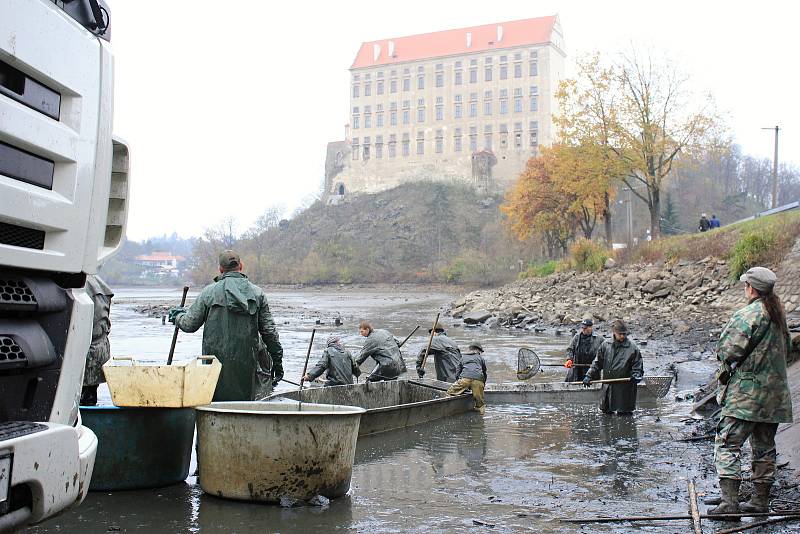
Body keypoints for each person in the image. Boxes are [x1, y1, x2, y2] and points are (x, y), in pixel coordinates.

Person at [708, 266, 793, 517]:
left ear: (751, 288)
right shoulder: (778, 316)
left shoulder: (748, 315)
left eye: (746, 285)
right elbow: (787, 348)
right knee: (764, 448)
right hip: (774, 397)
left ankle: (729, 503)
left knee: (727, 444)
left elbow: (727, 351)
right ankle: (759, 502)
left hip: (746, 396)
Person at [169, 250, 284, 401]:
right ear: (241, 266)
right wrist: (277, 362)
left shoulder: (208, 293)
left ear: (221, 269)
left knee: (215, 404)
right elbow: (270, 333)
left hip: (213, 367)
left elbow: (189, 324)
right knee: (245, 407)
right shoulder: (258, 294)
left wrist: (177, 316)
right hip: (247, 366)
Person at [583, 320, 643, 415]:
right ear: (614, 332)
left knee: (624, 415)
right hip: (608, 387)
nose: (622, 336)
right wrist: (589, 375)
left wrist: (636, 376)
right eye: (620, 334)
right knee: (606, 415)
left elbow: (638, 367)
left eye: (624, 334)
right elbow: (597, 363)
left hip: (624, 389)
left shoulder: (633, 348)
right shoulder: (606, 345)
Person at [80, 275, 114, 406]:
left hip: (89, 350)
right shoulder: (96, 281)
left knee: (82, 397)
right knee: (90, 394)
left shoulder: (78, 283)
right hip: (101, 347)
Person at [447, 341, 487, 415]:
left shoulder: (463, 357)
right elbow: (484, 372)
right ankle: (481, 417)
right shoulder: (480, 358)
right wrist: (483, 383)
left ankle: (450, 409)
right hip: (478, 380)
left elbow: (458, 371)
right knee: (480, 402)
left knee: (450, 392)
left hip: (465, 379)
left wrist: (458, 380)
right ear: (478, 351)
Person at [564, 318, 604, 382]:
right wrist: (569, 359)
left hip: (592, 368)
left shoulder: (599, 339)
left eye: (585, 328)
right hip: (577, 368)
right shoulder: (577, 337)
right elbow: (570, 349)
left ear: (590, 327)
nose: (583, 330)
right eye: (582, 328)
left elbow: (604, 351)